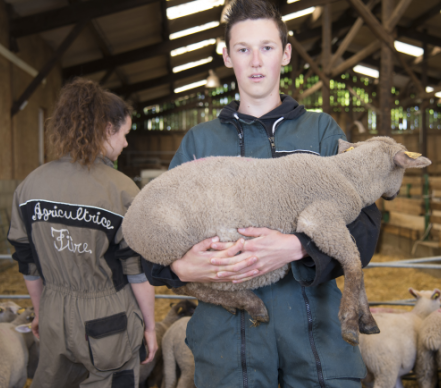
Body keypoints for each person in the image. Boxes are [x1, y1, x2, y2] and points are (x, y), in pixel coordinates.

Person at [142, 0, 382, 387]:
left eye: (267, 48)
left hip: (316, 342)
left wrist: (298, 247)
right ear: (226, 56)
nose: (256, 61)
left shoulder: (320, 133)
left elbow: (367, 222)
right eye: (243, 49)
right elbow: (153, 228)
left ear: (285, 54)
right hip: (227, 346)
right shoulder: (200, 142)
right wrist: (179, 269)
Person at [7, 79, 157, 388]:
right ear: (106, 130)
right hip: (109, 320)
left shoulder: (29, 186)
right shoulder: (122, 189)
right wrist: (151, 327)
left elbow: (27, 263)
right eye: (124, 134)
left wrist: (40, 312)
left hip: (53, 313)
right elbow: (136, 271)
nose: (126, 144)